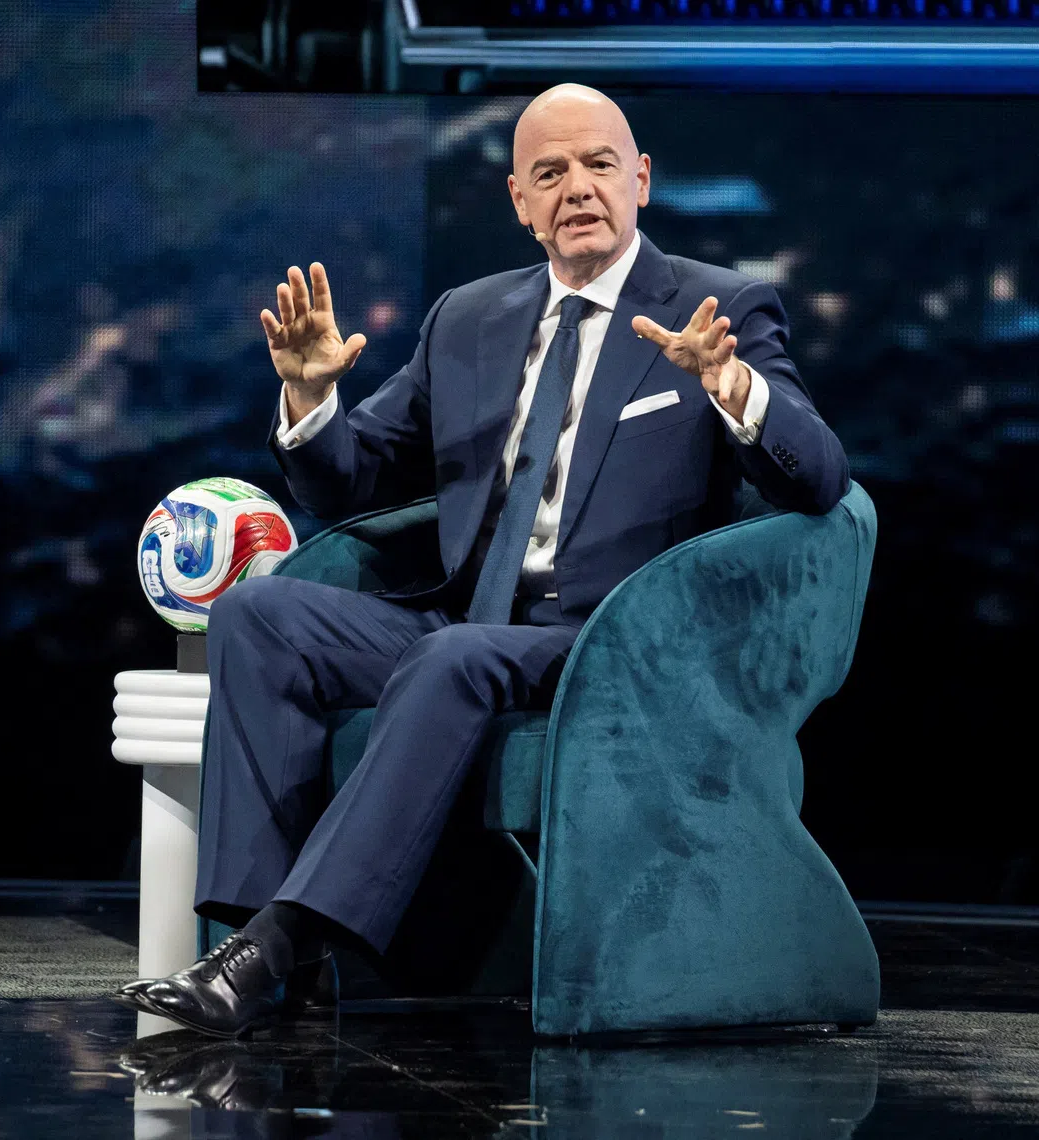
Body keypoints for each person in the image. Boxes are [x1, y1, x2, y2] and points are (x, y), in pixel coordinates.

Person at [114, 83, 849, 1038]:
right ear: (518, 199)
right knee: (261, 614)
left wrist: (727, 382)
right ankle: (259, 950)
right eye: (550, 173)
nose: (577, 188)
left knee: (451, 658)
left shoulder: (719, 306)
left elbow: (821, 479)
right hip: (464, 623)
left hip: (610, 642)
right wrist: (310, 406)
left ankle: (280, 945)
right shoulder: (469, 318)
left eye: (597, 165)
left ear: (642, 179)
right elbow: (351, 484)